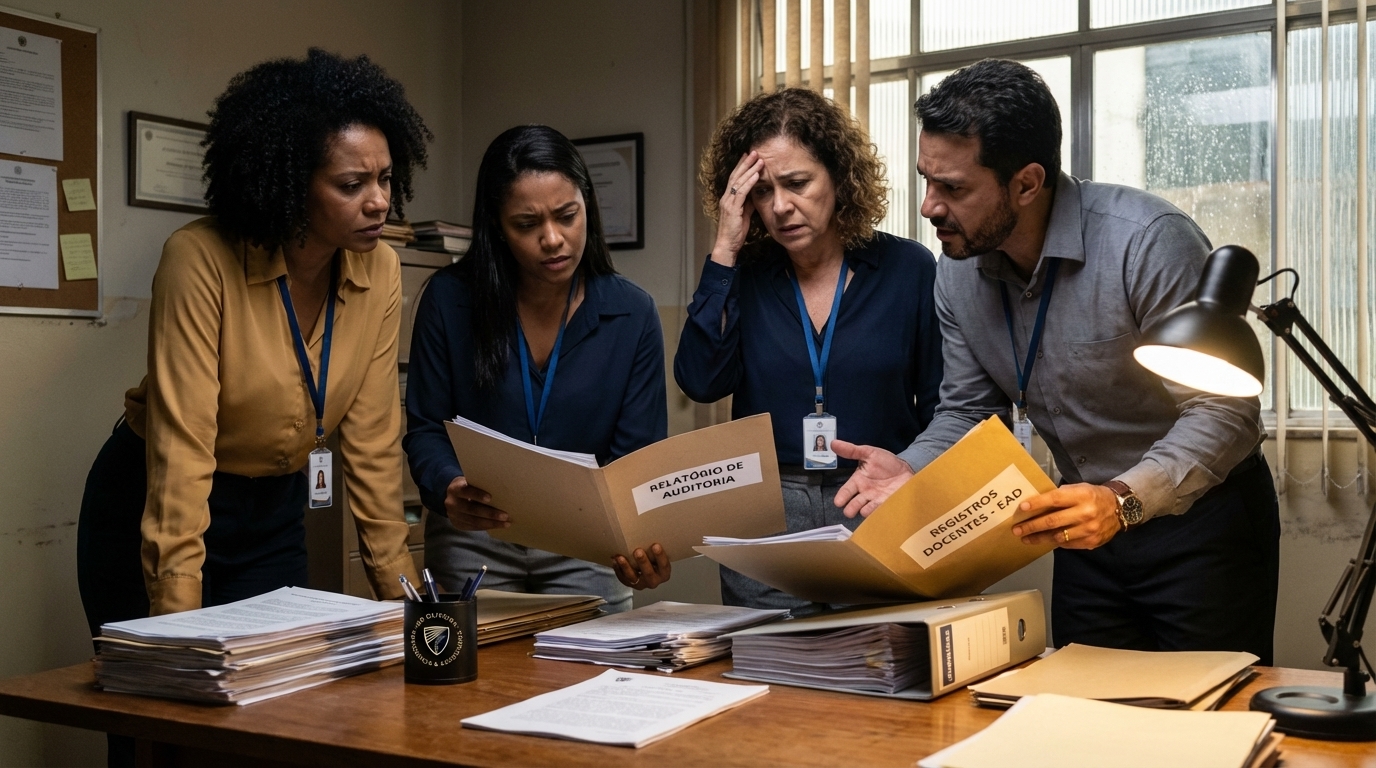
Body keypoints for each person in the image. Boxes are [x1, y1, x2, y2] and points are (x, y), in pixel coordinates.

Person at [833, 59, 1280, 663]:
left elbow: (1224, 413)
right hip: (1082, 532)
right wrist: (912, 469)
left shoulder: (1146, 240)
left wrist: (1122, 500)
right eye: (927, 181)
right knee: (1083, 717)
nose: (928, 208)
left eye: (954, 189)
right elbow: (967, 410)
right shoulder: (956, 271)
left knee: (1213, 724)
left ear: (1027, 182)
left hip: (1201, 525)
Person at [76, 49, 428, 766]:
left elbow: (370, 442)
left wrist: (411, 611)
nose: (379, 201)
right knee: (159, 732)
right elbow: (180, 456)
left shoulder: (381, 267)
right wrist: (175, 647)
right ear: (289, 186)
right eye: (351, 183)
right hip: (153, 497)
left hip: (271, 510)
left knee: (276, 718)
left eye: (386, 178)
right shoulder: (197, 260)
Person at [674, 87, 943, 614]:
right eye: (762, 191)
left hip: (873, 500)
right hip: (765, 511)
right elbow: (701, 381)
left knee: (876, 671)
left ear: (839, 178)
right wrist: (724, 250)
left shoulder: (908, 270)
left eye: (797, 183)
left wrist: (919, 489)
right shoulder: (742, 277)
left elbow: (942, 407)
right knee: (764, 672)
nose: (779, 206)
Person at [404, 125, 669, 613]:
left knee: (592, 683)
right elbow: (425, 426)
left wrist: (639, 537)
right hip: (476, 537)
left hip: (586, 545)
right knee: (469, 686)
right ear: (496, 227)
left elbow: (638, 456)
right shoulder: (449, 300)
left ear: (586, 203)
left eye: (567, 215)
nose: (552, 239)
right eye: (526, 224)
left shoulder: (632, 313)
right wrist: (447, 486)